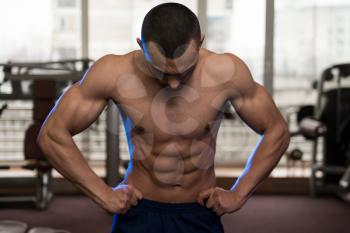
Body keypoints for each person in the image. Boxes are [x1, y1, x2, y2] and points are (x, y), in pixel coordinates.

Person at [38, 3, 290, 233]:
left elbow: (276, 131)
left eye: (184, 71)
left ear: (200, 42)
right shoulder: (113, 72)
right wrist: (102, 194)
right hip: (139, 210)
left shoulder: (227, 72)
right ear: (141, 45)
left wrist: (238, 194)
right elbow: (52, 134)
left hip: (199, 211)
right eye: (161, 71)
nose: (172, 83)